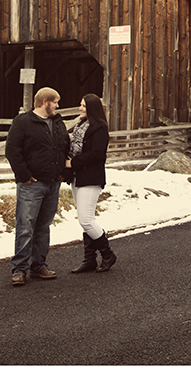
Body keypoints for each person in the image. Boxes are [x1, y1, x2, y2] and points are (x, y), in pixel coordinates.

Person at [5, 87, 70, 286]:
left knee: (43, 227)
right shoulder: (23, 122)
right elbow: (12, 150)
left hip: (52, 183)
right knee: (25, 226)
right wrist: (23, 175)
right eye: (55, 102)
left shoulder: (58, 123)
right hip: (31, 185)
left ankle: (38, 265)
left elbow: (65, 147)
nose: (58, 106)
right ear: (44, 102)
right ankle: (19, 269)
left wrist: (63, 171)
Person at [64, 93, 117, 273]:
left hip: (91, 177)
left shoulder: (99, 128)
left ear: (92, 108)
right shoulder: (80, 126)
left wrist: (74, 162)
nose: (80, 108)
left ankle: (108, 254)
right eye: (80, 105)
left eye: (84, 106)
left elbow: (97, 154)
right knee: (85, 219)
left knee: (86, 220)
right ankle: (89, 260)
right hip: (77, 177)